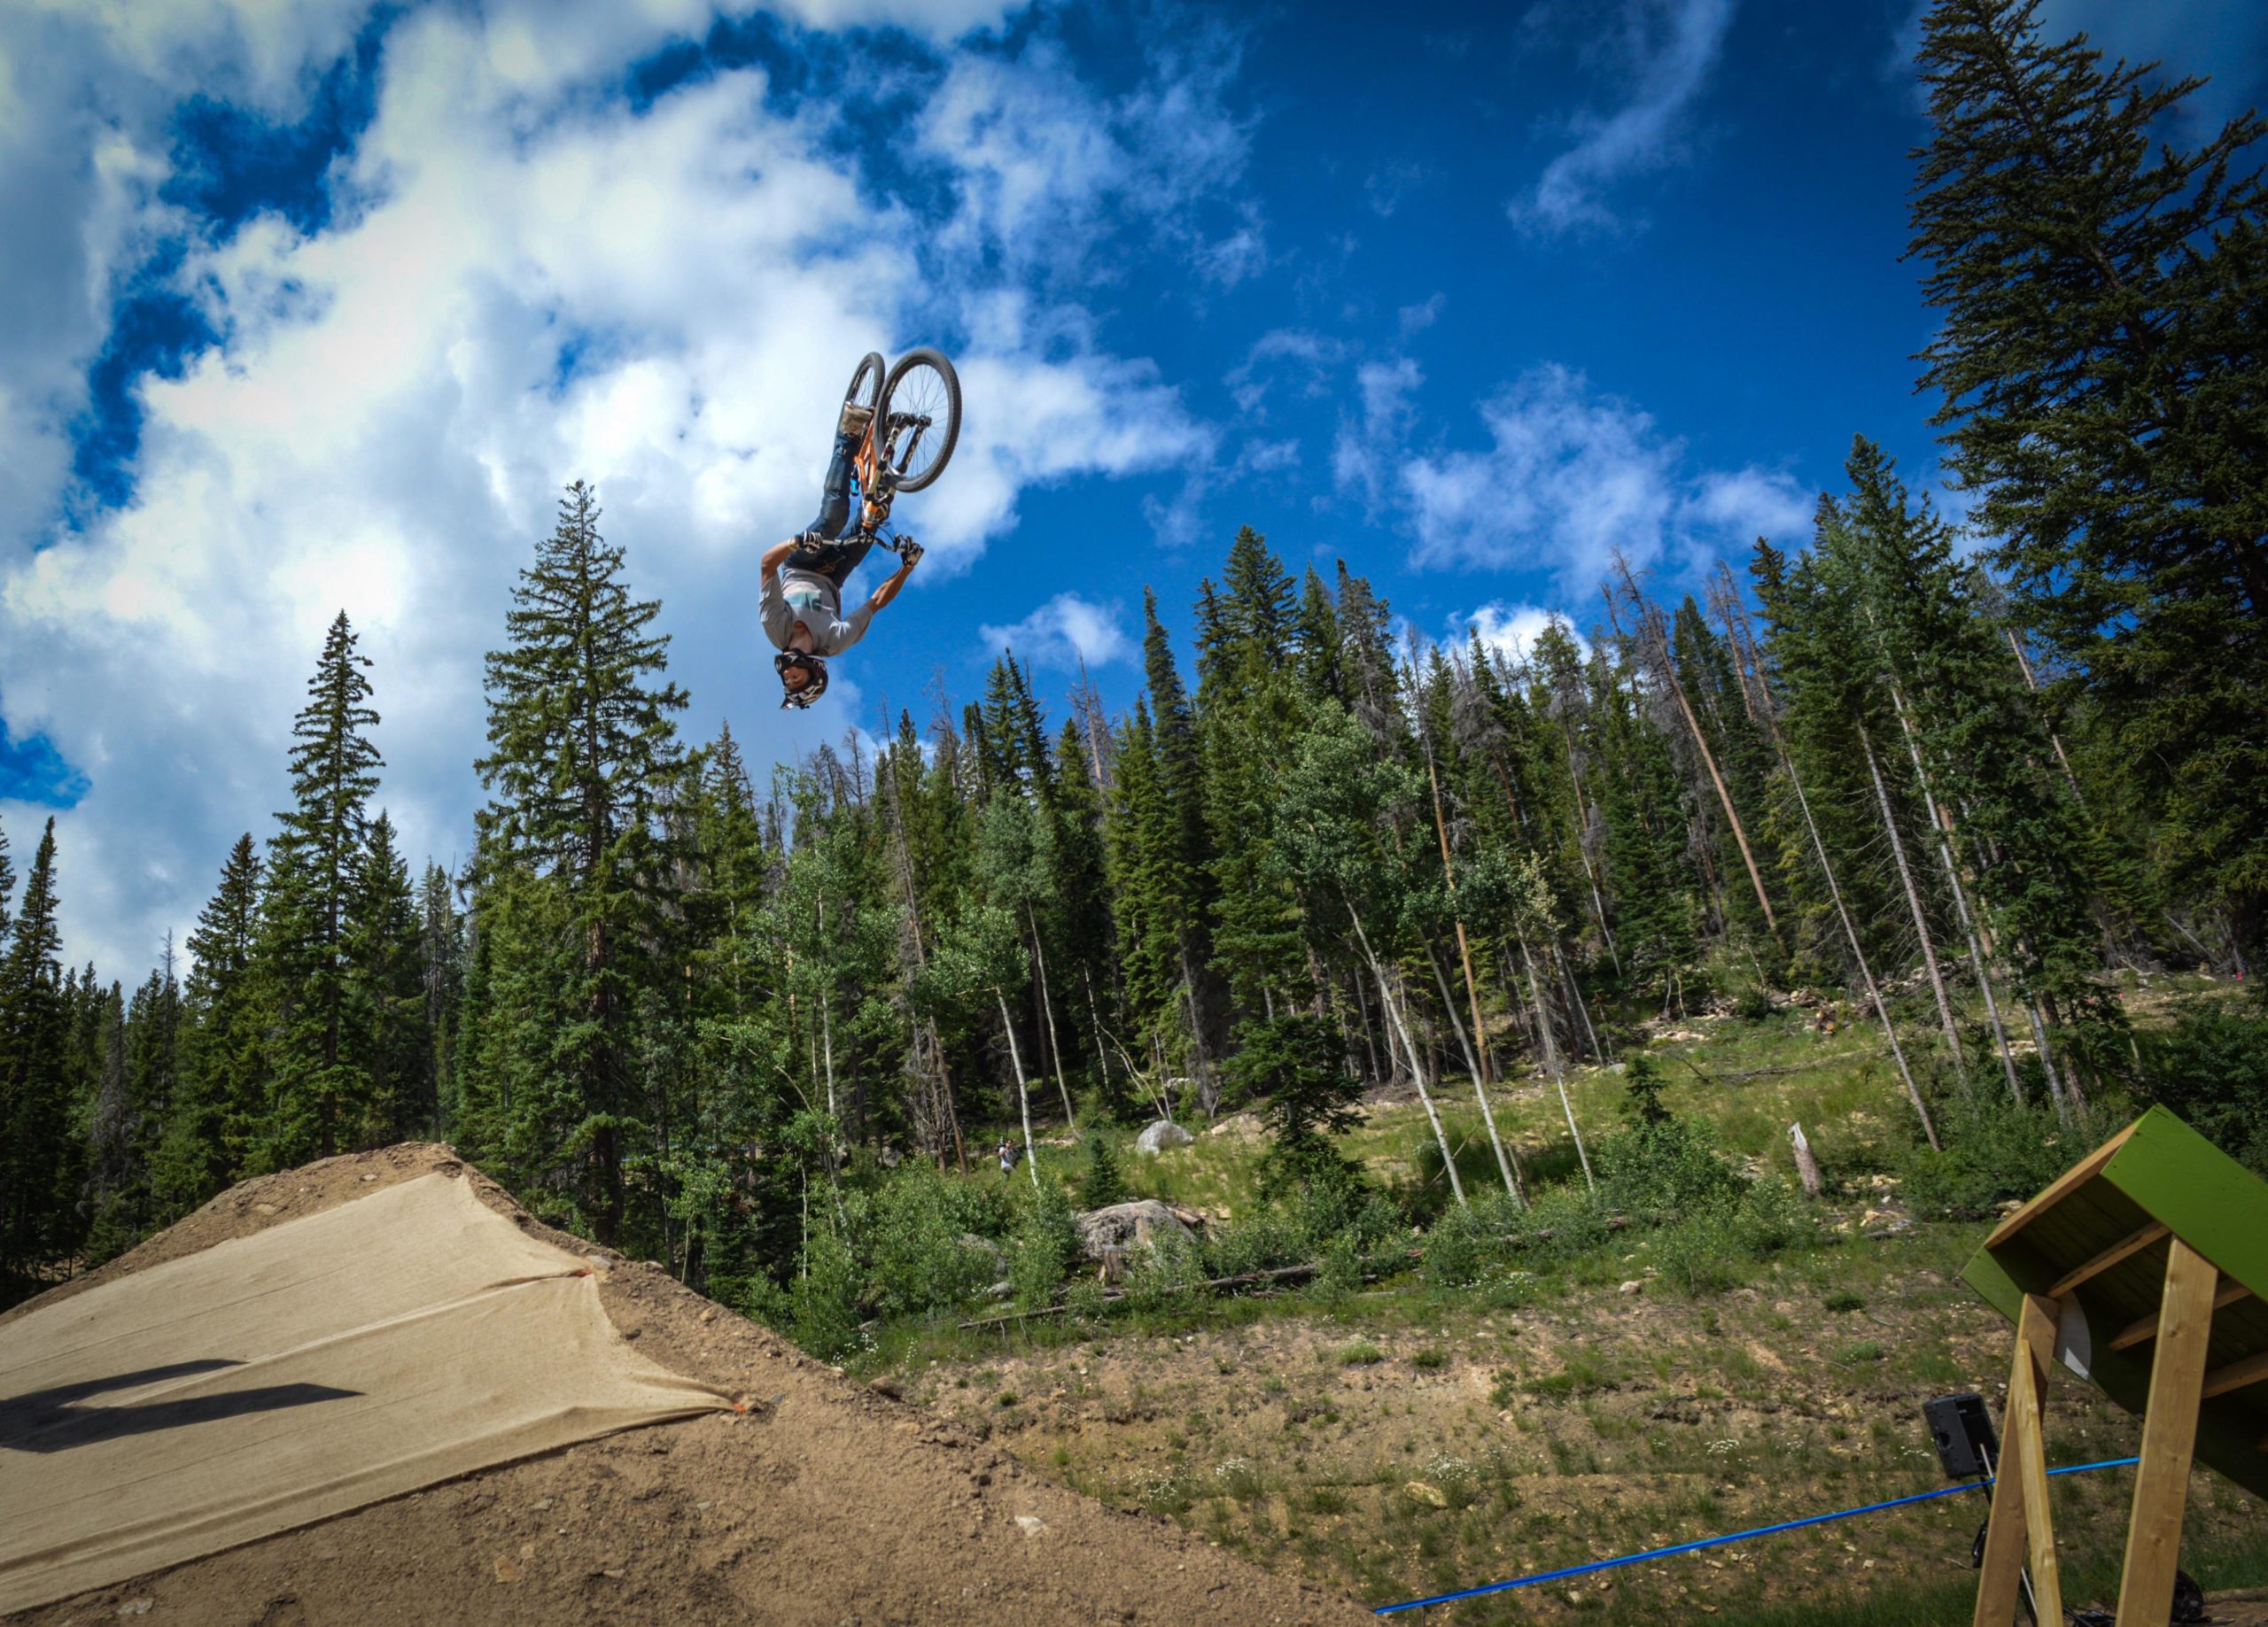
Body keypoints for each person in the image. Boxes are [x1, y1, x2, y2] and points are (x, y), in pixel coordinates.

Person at [760, 398, 924, 709]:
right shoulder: (835, 642)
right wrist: (907, 568)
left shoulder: (775, 628)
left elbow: (767, 566)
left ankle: (848, 433)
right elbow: (876, 603)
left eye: (787, 680)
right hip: (834, 574)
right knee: (873, 518)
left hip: (800, 564)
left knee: (833, 516)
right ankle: (886, 448)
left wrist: (795, 542)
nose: (788, 676)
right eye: (796, 680)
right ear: (813, 670)